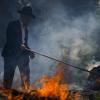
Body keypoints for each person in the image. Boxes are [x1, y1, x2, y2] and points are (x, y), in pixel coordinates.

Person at [1, 6, 35, 89]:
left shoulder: (26, 29)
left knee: (26, 76)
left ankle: (26, 93)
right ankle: (6, 94)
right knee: (8, 78)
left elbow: (25, 44)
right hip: (10, 55)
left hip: (22, 56)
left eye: (30, 18)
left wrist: (30, 52)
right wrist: (19, 45)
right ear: (23, 16)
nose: (30, 20)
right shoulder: (12, 24)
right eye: (29, 18)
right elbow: (10, 39)